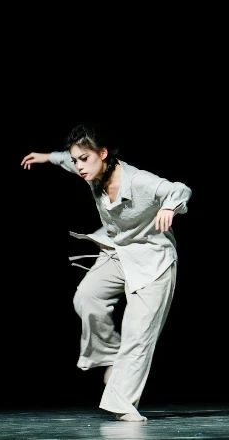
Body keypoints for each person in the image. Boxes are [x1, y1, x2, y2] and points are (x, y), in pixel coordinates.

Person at [21, 123, 192, 423]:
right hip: (118, 252)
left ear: (102, 154)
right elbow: (64, 159)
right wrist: (46, 157)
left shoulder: (138, 180)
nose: (79, 166)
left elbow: (180, 189)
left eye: (84, 159)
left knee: (138, 333)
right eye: (76, 160)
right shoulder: (91, 172)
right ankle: (110, 356)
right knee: (87, 297)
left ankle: (121, 402)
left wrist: (170, 207)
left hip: (153, 261)